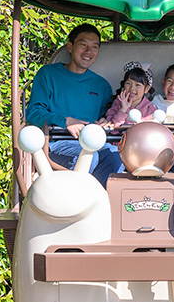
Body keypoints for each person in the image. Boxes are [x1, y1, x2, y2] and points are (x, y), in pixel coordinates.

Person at [25, 23, 123, 186]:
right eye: (83, 45)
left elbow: (106, 118)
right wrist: (65, 121)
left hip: (92, 143)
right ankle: (74, 206)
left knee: (115, 155)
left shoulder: (102, 86)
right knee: (87, 157)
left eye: (94, 47)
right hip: (56, 143)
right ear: (70, 47)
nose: (88, 52)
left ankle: (103, 203)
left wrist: (104, 122)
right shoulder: (48, 74)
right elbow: (33, 113)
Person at [98, 61, 156, 127]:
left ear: (146, 89)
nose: (132, 88)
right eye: (128, 83)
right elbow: (112, 126)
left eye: (137, 85)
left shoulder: (150, 108)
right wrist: (123, 109)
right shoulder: (118, 103)